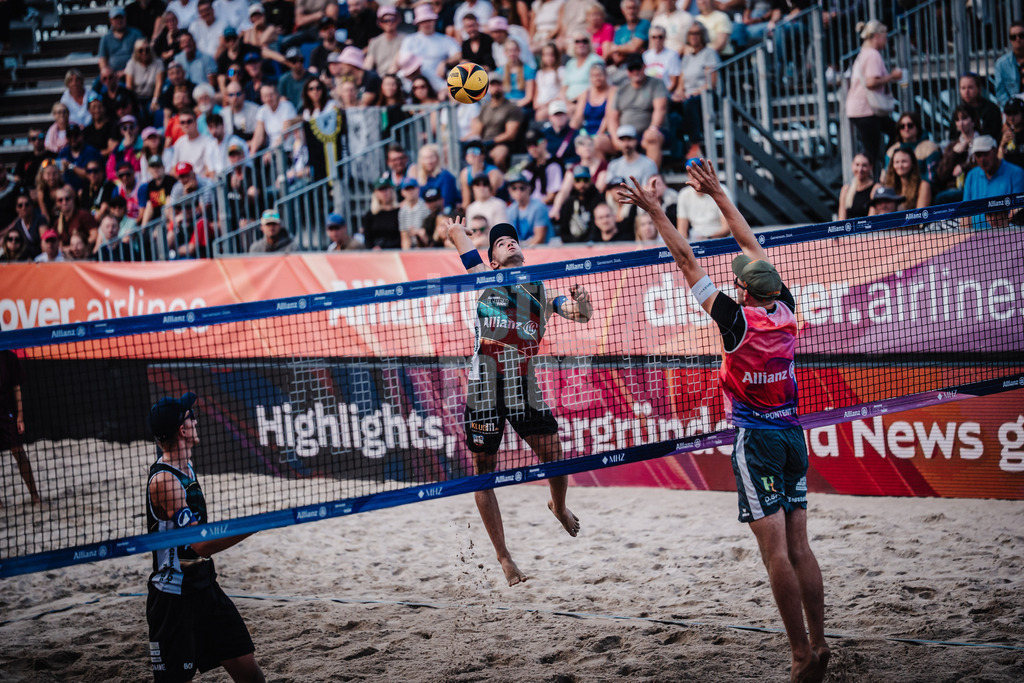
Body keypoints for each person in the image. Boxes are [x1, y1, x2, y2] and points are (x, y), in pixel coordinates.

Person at [616, 162, 828, 683]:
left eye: (736, 283)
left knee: (775, 551)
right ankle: (820, 644)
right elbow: (752, 245)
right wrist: (717, 193)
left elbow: (686, 259)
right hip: (793, 436)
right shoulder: (787, 309)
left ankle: (800, 654)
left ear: (743, 292)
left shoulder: (735, 321)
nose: (732, 284)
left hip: (756, 442)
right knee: (800, 546)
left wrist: (654, 210)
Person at [441, 217, 591, 586]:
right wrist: (457, 229)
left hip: (524, 385)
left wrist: (582, 303)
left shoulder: (539, 289)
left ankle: (558, 506)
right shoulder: (483, 280)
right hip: (484, 388)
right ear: (491, 260)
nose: (509, 243)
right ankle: (505, 558)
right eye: (500, 242)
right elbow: (459, 239)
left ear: (522, 252)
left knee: (554, 458)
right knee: (483, 473)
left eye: (512, 240)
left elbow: (579, 315)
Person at [145, 391, 264, 682]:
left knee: (250, 673)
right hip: (174, 597)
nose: (196, 420)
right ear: (182, 430)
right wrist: (253, 525)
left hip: (205, 585)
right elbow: (200, 544)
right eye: (190, 417)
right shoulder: (165, 481)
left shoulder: (186, 467)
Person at [845, 20, 901, 170]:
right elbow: (871, 82)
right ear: (877, 36)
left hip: (861, 109)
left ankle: (885, 168)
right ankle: (877, 177)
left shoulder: (864, 53)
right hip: (866, 109)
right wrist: (892, 76)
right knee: (872, 151)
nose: (887, 40)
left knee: (895, 132)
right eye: (885, 36)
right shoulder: (872, 55)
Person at [606, 54, 668, 168]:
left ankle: (651, 179)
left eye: (638, 68)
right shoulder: (621, 89)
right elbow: (612, 117)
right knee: (599, 143)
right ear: (628, 71)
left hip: (648, 131)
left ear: (644, 67)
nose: (635, 72)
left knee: (652, 138)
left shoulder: (656, 83)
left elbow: (660, 108)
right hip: (625, 134)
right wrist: (615, 139)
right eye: (631, 69)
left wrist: (653, 128)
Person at [0, 350, 43, 507]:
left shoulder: (8, 356)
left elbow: (17, 387)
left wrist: (20, 416)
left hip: (6, 412)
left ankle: (35, 497)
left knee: (19, 452)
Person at [961, 135, 1024, 230]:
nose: (982, 159)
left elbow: (1016, 211)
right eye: (978, 155)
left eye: (985, 154)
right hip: (975, 239)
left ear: (995, 151)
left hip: (1006, 236)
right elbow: (965, 213)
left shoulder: (1016, 173)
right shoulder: (971, 175)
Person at [398, 5, 461, 95]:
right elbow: (403, 61)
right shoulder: (410, 40)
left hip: (436, 79)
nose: (427, 24)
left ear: (434, 20)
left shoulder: (445, 39)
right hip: (413, 79)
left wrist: (444, 62)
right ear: (418, 23)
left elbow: (458, 54)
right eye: (423, 21)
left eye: (429, 20)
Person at [469, 74, 523, 171]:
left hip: (502, 143)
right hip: (484, 143)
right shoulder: (485, 107)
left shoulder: (511, 107)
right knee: (471, 155)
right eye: (493, 85)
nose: (496, 88)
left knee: (499, 154)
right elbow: (478, 130)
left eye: (498, 84)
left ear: (503, 86)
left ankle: (501, 180)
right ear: (488, 88)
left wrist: (492, 141)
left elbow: (510, 134)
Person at [933, 105, 979, 205]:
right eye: (957, 120)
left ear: (973, 120)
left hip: (977, 186)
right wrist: (954, 154)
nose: (961, 123)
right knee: (941, 198)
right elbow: (941, 175)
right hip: (955, 188)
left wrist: (963, 167)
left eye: (964, 118)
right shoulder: (952, 145)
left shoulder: (983, 142)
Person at [882, 111, 941, 186]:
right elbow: (887, 177)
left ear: (917, 126)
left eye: (910, 125)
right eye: (902, 126)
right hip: (897, 191)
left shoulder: (929, 148)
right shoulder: (891, 151)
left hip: (924, 190)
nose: (906, 129)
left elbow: (932, 178)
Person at [676, 159, 730, 240]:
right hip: (695, 241)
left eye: (699, 172)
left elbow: (727, 228)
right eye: (692, 173)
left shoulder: (722, 190)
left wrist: (707, 238)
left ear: (705, 173)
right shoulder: (683, 194)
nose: (696, 177)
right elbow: (682, 232)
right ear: (688, 175)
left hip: (720, 241)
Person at [950, 72, 1002, 143]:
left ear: (979, 88)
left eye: (970, 87)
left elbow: (994, 136)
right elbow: (953, 137)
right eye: (963, 88)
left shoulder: (991, 109)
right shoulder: (958, 112)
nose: (966, 92)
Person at [505, 173, 552, 245]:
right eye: (514, 188)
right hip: (522, 249)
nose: (518, 191)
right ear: (509, 191)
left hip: (543, 250)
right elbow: (510, 237)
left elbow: (540, 238)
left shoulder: (539, 207)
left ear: (529, 189)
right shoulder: (510, 210)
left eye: (522, 188)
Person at [100, 7, 146, 75]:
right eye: (116, 18)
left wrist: (126, 71)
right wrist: (107, 72)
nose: (119, 20)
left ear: (125, 18)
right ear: (110, 20)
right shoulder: (105, 38)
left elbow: (143, 55)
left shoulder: (136, 34)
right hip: (112, 76)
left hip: (134, 72)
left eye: (121, 17)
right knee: (97, 83)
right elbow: (102, 59)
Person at [362, 178, 402, 249]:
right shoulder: (370, 214)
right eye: (381, 190)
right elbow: (367, 238)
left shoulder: (399, 212)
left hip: (396, 250)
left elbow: (402, 236)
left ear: (391, 191)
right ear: (375, 193)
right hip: (376, 253)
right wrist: (373, 248)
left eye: (386, 189)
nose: (384, 193)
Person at [366, 5, 405, 74]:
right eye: (385, 20)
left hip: (399, 77)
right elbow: (368, 65)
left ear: (398, 20)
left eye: (392, 19)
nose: (389, 23)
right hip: (380, 79)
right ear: (380, 23)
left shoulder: (405, 39)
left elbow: (397, 64)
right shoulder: (374, 42)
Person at [994, 21, 1024, 107]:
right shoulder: (1001, 64)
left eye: (1021, 35)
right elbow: (1000, 92)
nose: (1018, 39)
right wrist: (1012, 108)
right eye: (1013, 37)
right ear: (1010, 40)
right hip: (1011, 110)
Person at [837, 153, 874, 220]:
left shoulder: (875, 189)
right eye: (857, 165)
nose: (860, 169)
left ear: (870, 167)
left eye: (864, 165)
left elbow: (871, 219)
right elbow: (841, 219)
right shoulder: (845, 190)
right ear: (852, 166)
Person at [999, 99, 1024, 169]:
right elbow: (999, 162)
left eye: (1015, 113)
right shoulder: (1004, 134)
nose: (1011, 118)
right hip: (1009, 175)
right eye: (1008, 113)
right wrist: (1002, 144)